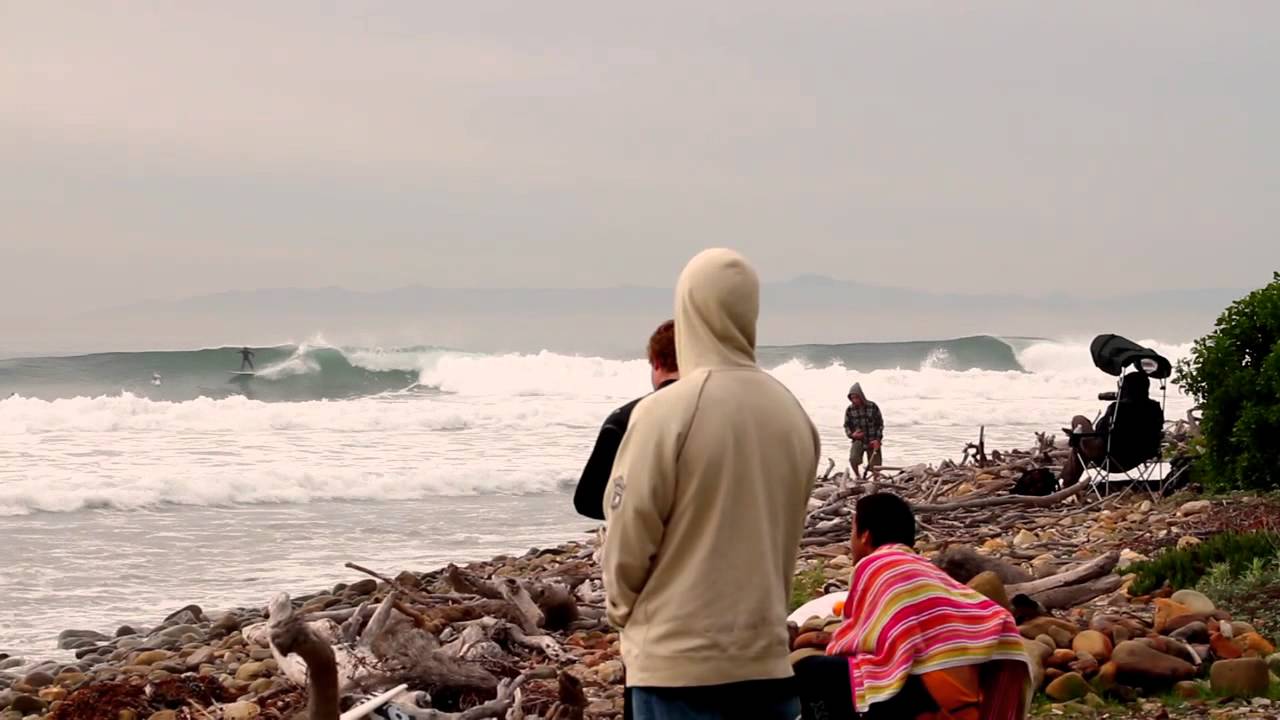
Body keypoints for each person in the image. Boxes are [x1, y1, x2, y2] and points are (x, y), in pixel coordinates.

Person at [603, 248, 820, 720]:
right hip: (766, 662)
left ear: (689, 307)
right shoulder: (793, 415)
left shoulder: (665, 412)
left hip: (678, 670)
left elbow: (628, 534)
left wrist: (623, 612)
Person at [794, 493, 1030, 719]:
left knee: (814, 671)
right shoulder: (925, 569)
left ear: (865, 536)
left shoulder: (876, 563)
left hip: (935, 700)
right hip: (967, 702)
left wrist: (828, 642)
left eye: (852, 531)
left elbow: (855, 642)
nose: (851, 539)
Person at [574, 320, 679, 521]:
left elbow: (588, 501)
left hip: (652, 542)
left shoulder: (626, 417)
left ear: (656, 362)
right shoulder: (733, 412)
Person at [1060, 371, 1164, 487]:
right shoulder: (1155, 408)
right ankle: (1067, 483)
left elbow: (1101, 431)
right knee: (1079, 444)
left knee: (1079, 420)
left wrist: (1077, 437)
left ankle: (1066, 484)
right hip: (1138, 456)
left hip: (1110, 458)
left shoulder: (1118, 408)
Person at [843, 383, 884, 478]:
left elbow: (880, 424)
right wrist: (852, 435)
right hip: (859, 440)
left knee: (876, 466)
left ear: (861, 396)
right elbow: (846, 426)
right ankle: (858, 476)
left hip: (872, 439)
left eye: (856, 397)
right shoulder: (850, 409)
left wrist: (878, 440)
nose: (855, 400)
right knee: (853, 459)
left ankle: (876, 481)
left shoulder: (872, 406)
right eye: (852, 398)